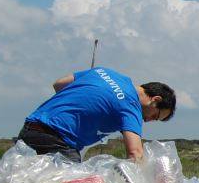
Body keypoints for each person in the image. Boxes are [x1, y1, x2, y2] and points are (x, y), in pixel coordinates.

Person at [17, 66, 176, 162]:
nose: (148, 120)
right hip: (58, 142)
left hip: (30, 129)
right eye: (155, 116)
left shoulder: (104, 72)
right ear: (155, 100)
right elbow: (135, 153)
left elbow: (59, 84)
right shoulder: (131, 106)